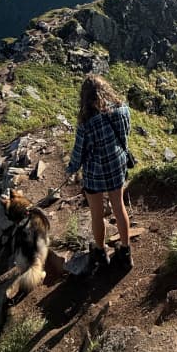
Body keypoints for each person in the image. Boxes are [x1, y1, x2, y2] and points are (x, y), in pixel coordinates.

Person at [66, 74, 133, 270]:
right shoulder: (122, 110)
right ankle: (125, 252)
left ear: (85, 98)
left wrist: (70, 169)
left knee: (97, 214)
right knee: (119, 207)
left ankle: (101, 252)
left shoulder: (86, 123)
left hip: (95, 173)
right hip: (117, 165)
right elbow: (125, 135)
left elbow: (79, 153)